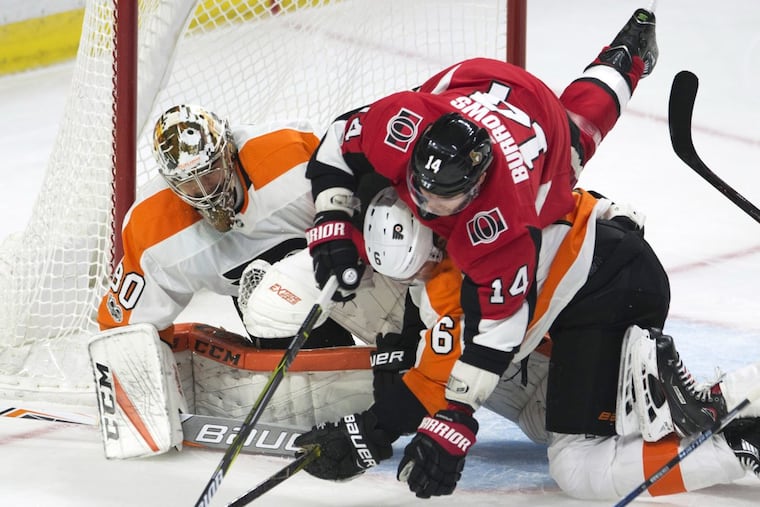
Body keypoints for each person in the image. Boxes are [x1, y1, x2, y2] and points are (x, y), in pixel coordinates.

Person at [301, 5, 670, 495]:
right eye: (420, 191)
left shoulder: (502, 225)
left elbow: (496, 332)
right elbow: (337, 144)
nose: (428, 206)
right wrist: (332, 221)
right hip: (472, 83)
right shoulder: (403, 126)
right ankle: (624, 62)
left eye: (442, 201)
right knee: (370, 176)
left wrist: (454, 418)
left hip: (535, 131)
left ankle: (623, 73)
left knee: (578, 134)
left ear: (475, 191)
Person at [294, 186, 760, 500]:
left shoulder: (457, 288)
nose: (416, 280)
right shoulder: (462, 194)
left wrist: (368, 433)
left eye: (417, 267)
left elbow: (429, 390)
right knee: (544, 421)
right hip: (616, 264)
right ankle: (703, 394)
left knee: (575, 466)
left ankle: (738, 447)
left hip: (606, 294)